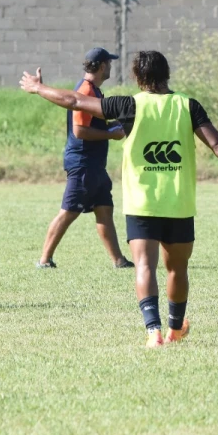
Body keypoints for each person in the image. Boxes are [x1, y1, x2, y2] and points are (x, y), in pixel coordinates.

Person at [21, 50, 218, 347]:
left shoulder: (128, 106)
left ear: (138, 77)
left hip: (142, 202)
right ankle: (174, 330)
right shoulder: (187, 105)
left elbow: (74, 101)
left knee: (145, 266)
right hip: (178, 202)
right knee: (177, 269)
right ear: (167, 73)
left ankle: (153, 333)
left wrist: (37, 88)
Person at [36, 47, 132, 270]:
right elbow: (80, 130)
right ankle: (44, 260)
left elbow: (94, 123)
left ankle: (119, 260)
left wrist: (115, 125)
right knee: (69, 211)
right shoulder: (87, 90)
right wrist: (110, 134)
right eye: (109, 63)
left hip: (95, 164)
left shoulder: (95, 91)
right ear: (100, 66)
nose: (111, 67)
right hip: (83, 163)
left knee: (104, 209)